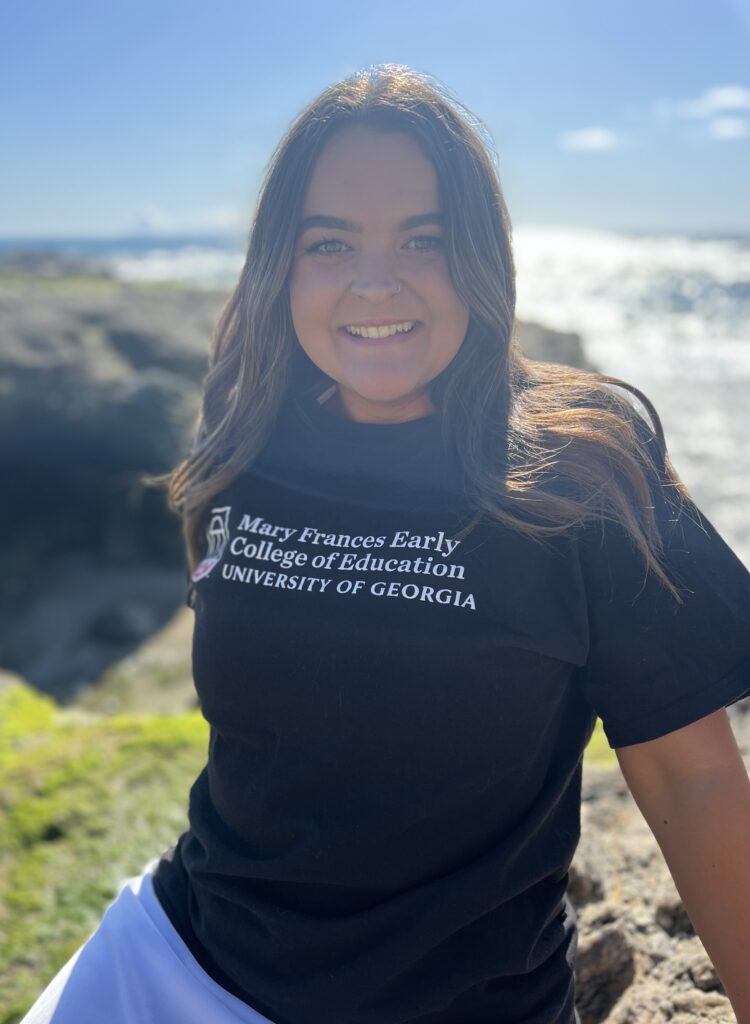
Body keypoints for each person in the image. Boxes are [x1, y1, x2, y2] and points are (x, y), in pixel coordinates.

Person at [21, 64, 750, 1024]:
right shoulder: (248, 442)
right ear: (284, 262)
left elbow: (692, 778)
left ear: (483, 255)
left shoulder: (585, 471)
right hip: (177, 964)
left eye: (424, 239)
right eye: (330, 242)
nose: (376, 281)